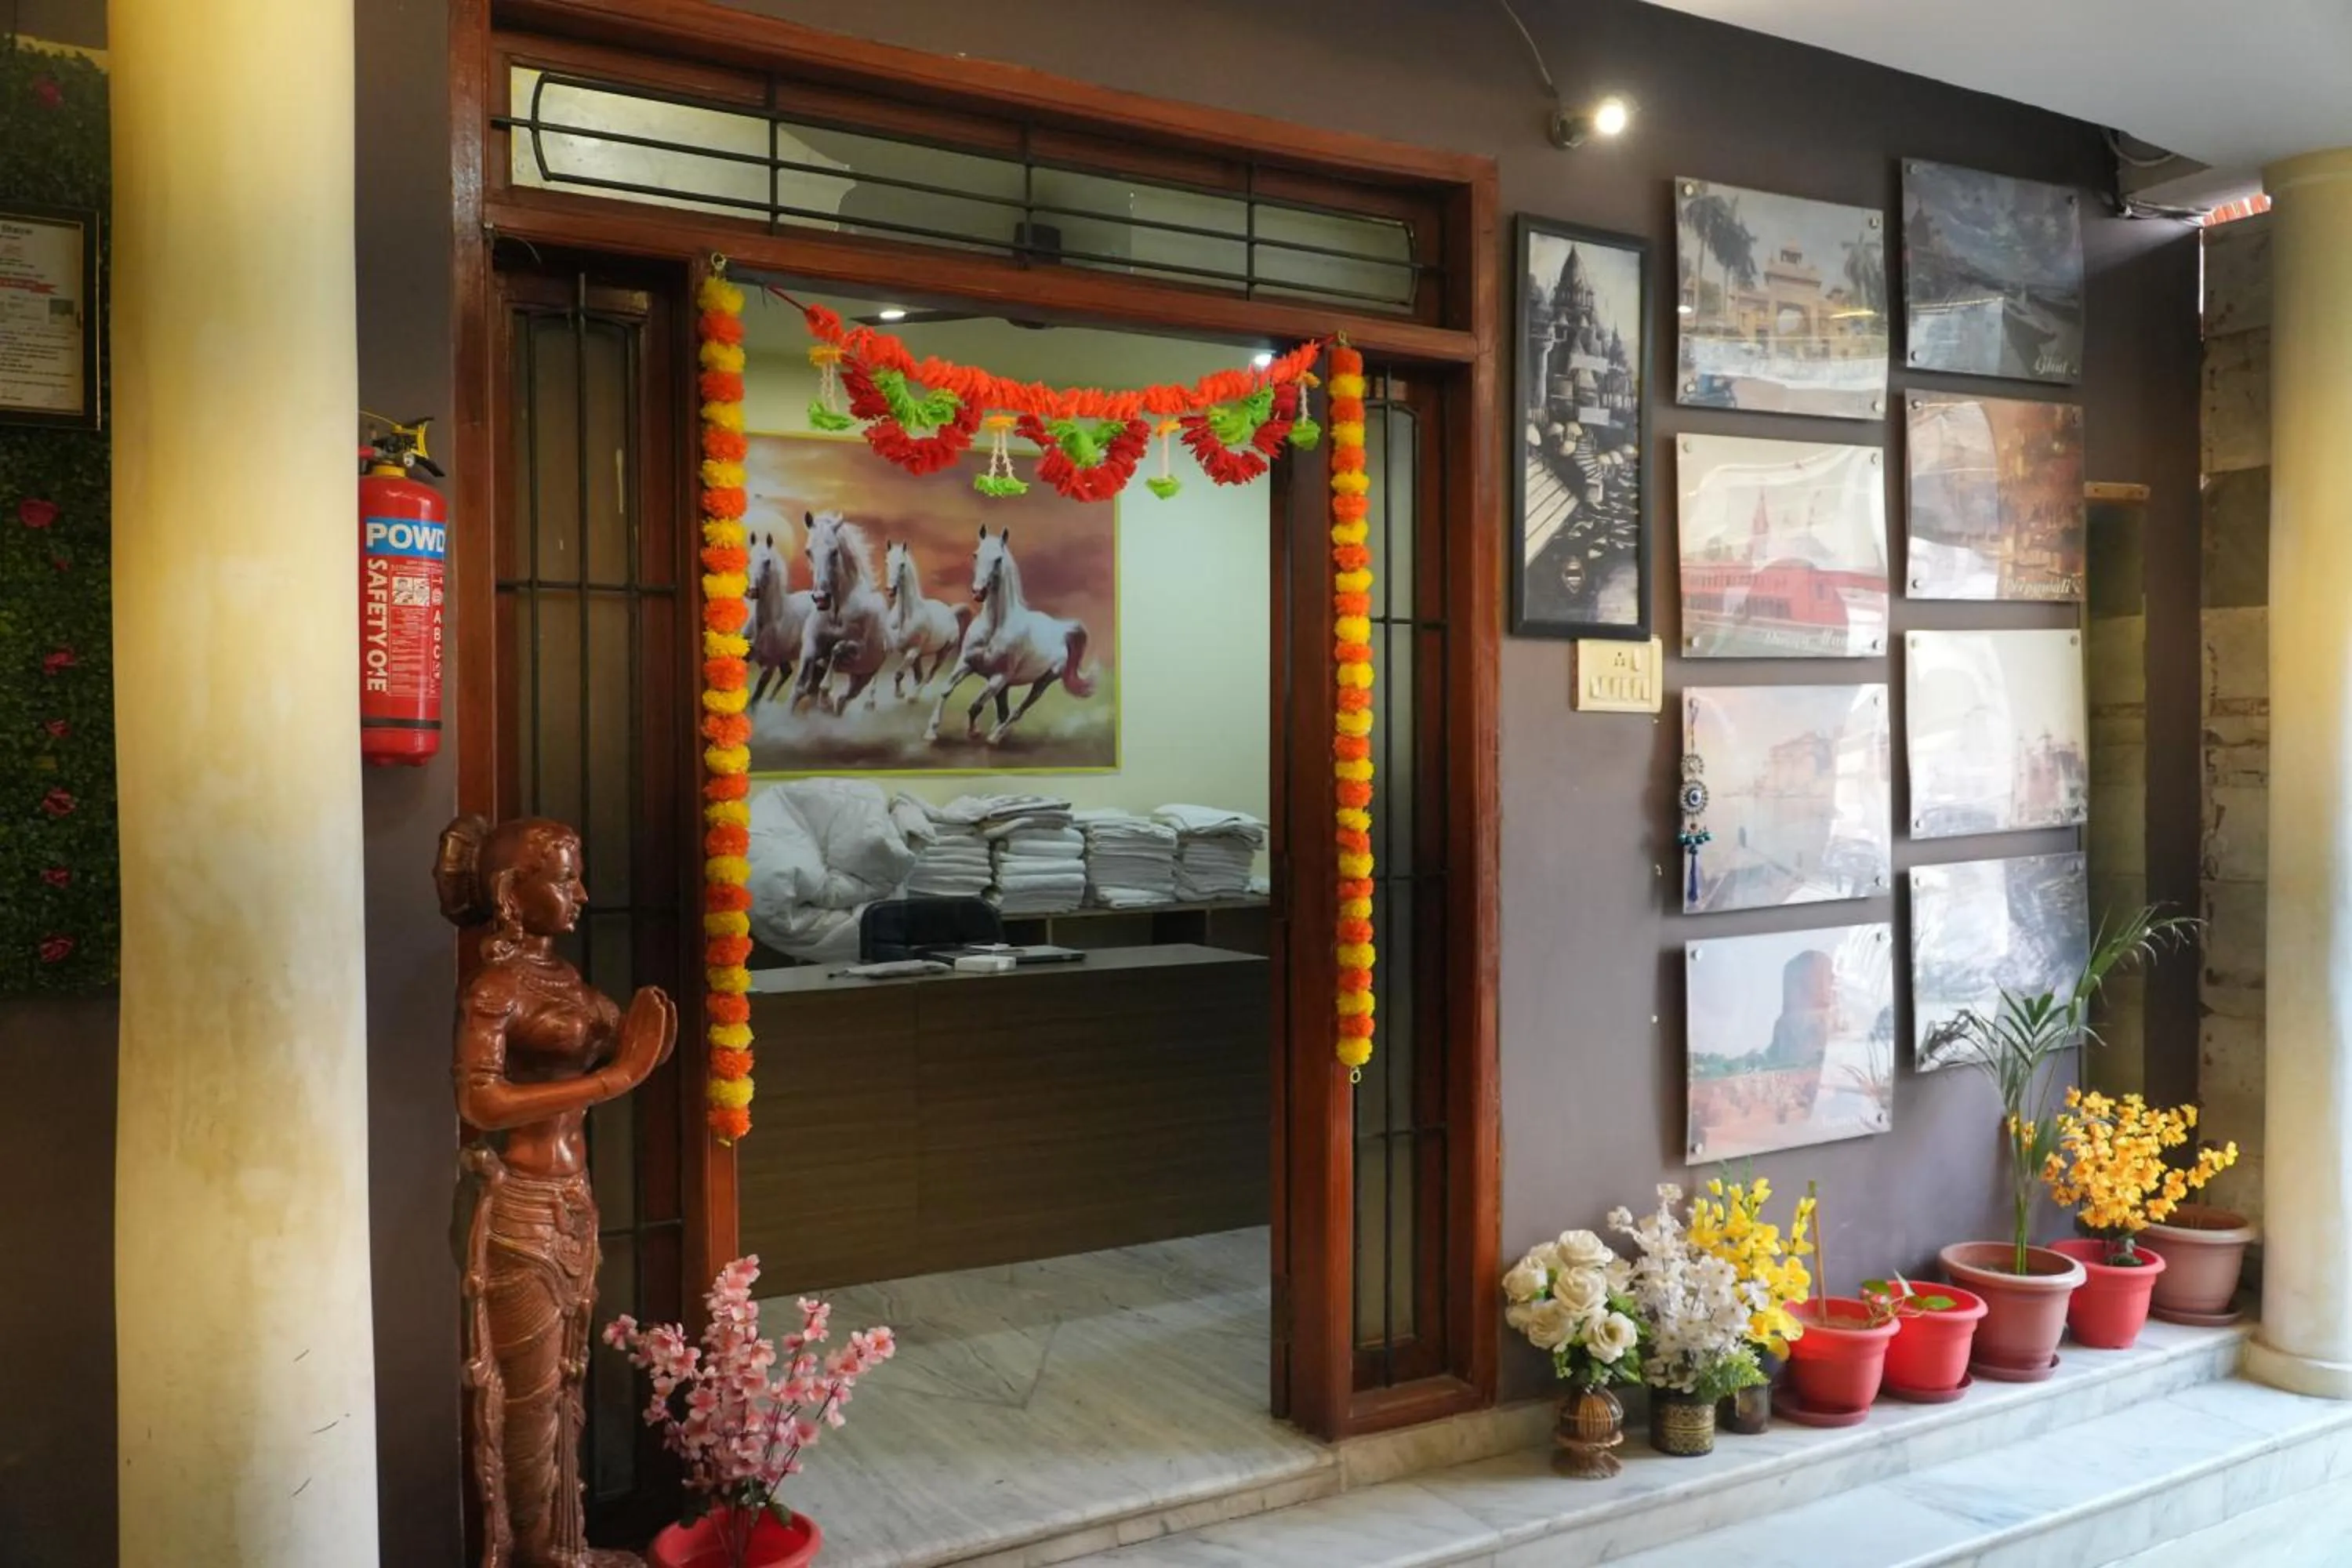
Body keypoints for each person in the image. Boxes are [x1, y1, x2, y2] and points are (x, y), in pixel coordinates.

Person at [435, 815, 677, 1568]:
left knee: (565, 1382)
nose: (582, 893)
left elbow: (613, 1033)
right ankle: (532, 1554)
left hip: (572, 1195)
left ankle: (563, 1550)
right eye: (565, 878)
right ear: (513, 893)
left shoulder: (562, 978)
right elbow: (479, 1104)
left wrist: (633, 1034)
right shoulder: (493, 988)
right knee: (527, 1396)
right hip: (522, 1206)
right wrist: (615, 1077)